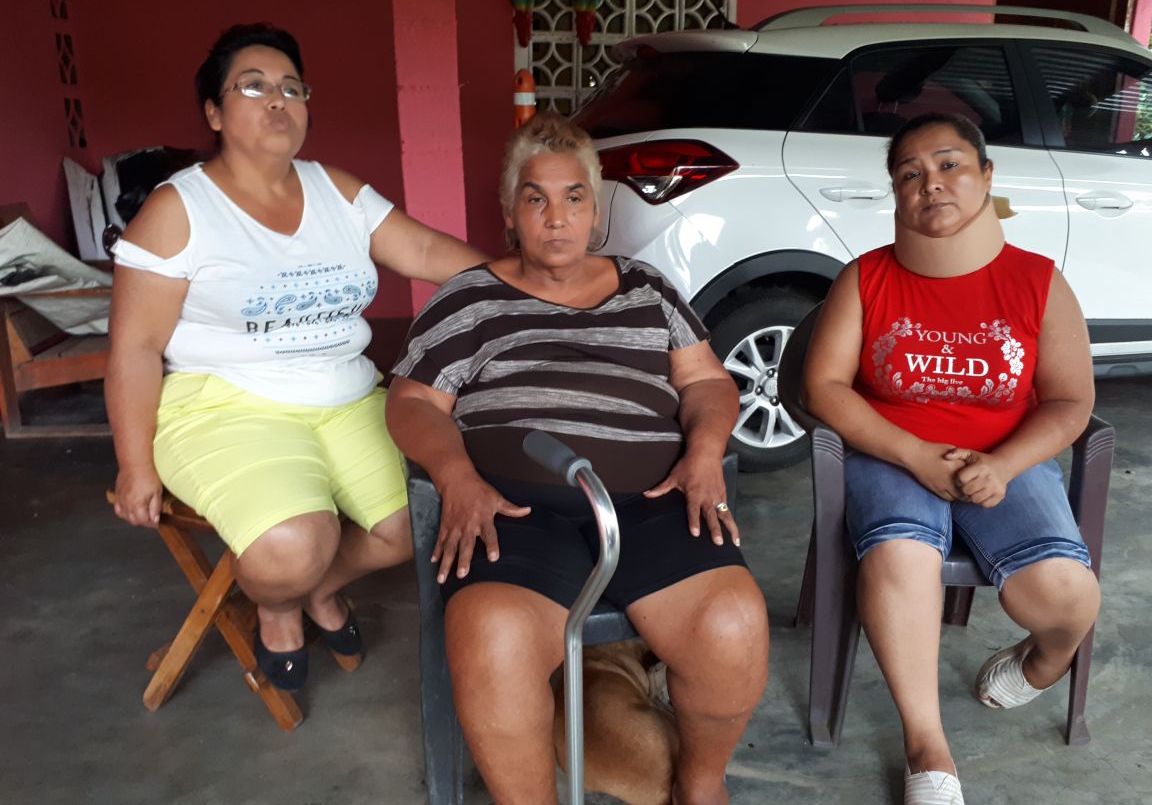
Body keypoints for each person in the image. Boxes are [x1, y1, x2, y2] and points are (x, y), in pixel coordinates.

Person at [386, 112, 769, 805]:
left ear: (595, 209)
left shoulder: (646, 288)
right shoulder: (469, 299)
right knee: (492, 636)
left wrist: (706, 450)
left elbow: (708, 381)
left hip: (651, 503)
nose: (556, 217)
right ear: (510, 211)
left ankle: (700, 785)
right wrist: (457, 476)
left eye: (573, 198)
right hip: (516, 511)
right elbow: (412, 404)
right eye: (536, 198)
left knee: (732, 623)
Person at [106, 23, 486, 691]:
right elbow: (135, 345)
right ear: (216, 113)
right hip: (225, 406)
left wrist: (527, 282)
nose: (278, 99)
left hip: (348, 396)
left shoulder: (334, 190)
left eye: (292, 87)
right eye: (253, 86)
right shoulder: (178, 209)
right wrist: (134, 463)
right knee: (292, 545)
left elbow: (425, 252)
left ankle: (320, 587)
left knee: (419, 523)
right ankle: (279, 601)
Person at [803, 112, 1100, 805]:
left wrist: (1003, 463)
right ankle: (927, 747)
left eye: (949, 164)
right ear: (896, 193)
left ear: (987, 177)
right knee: (899, 557)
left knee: (1064, 594)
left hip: (1010, 451)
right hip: (892, 449)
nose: (930, 184)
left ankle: (1047, 662)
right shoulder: (865, 278)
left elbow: (1068, 401)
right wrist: (912, 454)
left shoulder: (1038, 281)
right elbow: (824, 387)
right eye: (909, 173)